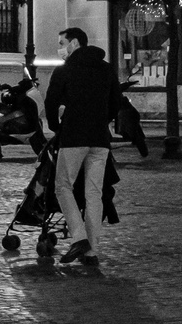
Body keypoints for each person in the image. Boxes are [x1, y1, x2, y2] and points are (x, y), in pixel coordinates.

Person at [44, 27, 122, 266]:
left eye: (62, 43)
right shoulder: (106, 69)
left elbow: (51, 101)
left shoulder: (65, 70)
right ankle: (92, 251)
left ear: (74, 43)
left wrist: (57, 125)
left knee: (63, 186)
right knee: (94, 193)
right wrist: (102, 119)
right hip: (100, 139)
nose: (60, 48)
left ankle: (79, 237)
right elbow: (116, 101)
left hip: (74, 137)